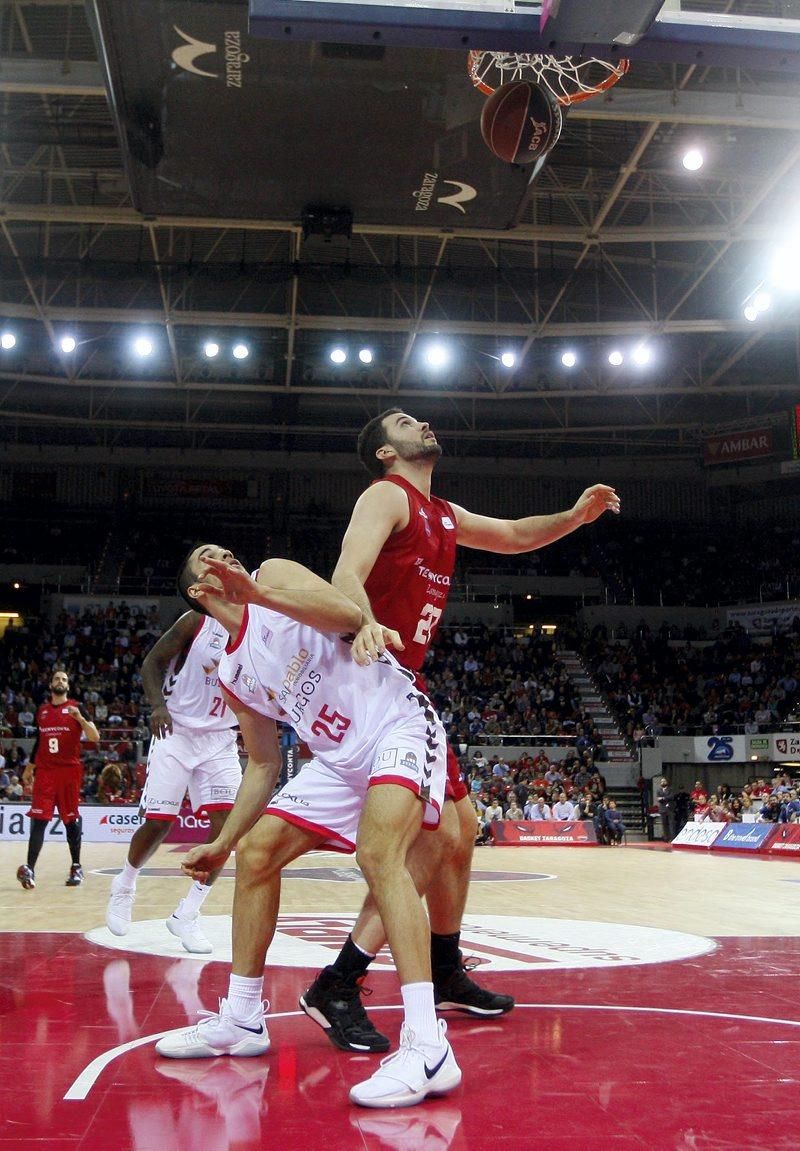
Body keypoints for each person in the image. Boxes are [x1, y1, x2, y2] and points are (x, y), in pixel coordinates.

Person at [301, 408, 619, 1053]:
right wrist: (361, 621)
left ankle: (443, 968)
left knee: (462, 829)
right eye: (404, 422)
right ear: (386, 453)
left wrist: (572, 517)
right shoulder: (384, 495)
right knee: (429, 838)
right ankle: (341, 980)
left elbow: (512, 533)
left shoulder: (441, 512)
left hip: (402, 683)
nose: (421, 424)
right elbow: (345, 576)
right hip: (368, 677)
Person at [156, 546, 461, 1110]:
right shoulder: (231, 670)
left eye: (224, 549)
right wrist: (222, 843)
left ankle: (427, 1044)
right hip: (340, 760)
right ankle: (244, 1019)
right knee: (256, 854)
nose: (223, 553)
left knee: (379, 857)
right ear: (200, 592)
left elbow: (349, 615)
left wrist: (258, 594)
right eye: (206, 557)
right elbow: (264, 765)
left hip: (396, 724)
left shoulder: (272, 575)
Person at [105, 608, 243, 954]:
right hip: (176, 730)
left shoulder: (258, 627)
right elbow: (151, 663)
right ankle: (125, 885)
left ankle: (188, 913)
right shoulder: (196, 620)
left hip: (221, 737)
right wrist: (157, 706)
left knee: (228, 831)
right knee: (159, 823)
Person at [17, 670, 100, 889]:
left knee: (70, 821)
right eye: (56, 678)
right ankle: (30, 870)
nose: (60, 681)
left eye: (64, 679)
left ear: (68, 686)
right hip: (45, 772)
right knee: (39, 821)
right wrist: (29, 768)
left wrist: (80, 718)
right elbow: (39, 742)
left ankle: (76, 866)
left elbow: (95, 736)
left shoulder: (76, 707)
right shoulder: (42, 711)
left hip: (68, 773)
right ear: (51, 684)